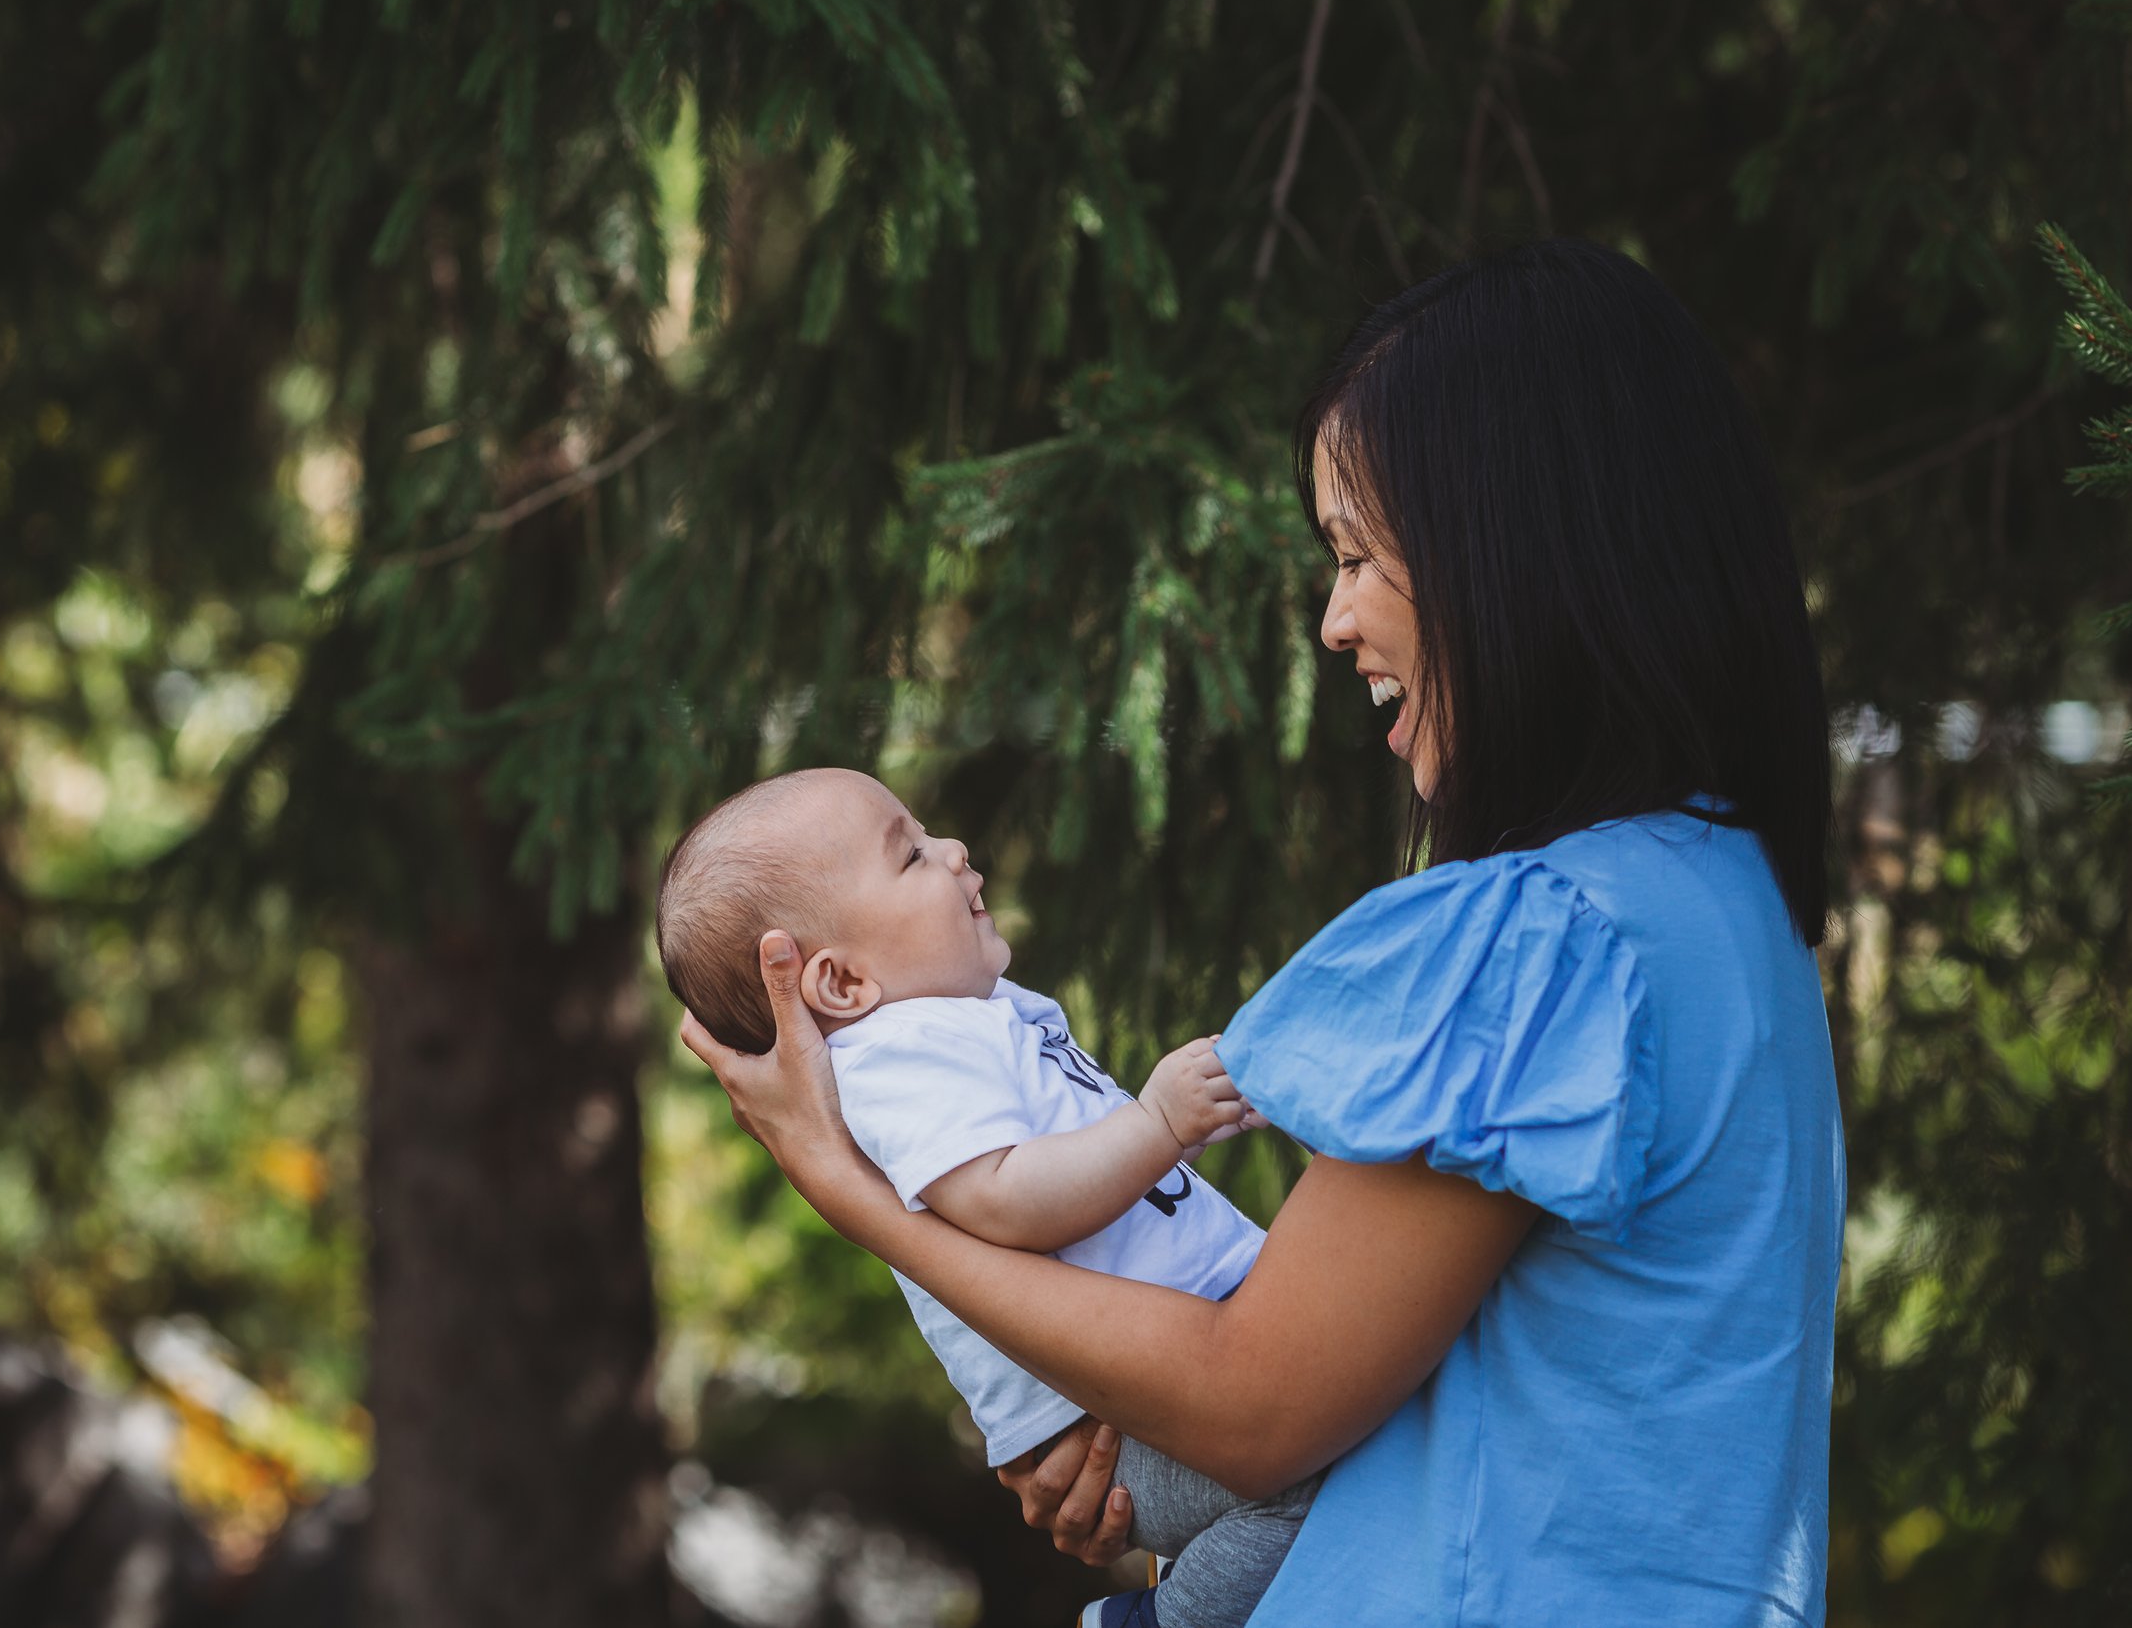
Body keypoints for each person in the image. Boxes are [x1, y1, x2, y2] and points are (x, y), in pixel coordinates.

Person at [680, 238, 1845, 1626]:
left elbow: (1249, 1402)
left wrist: (856, 1193)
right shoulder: (1725, 902)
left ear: (1513, 542)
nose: (1334, 617)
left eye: (1359, 552)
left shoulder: (1539, 941)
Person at [656, 767, 1313, 1628]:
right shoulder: (895, 1058)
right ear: (843, 985)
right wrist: (1159, 1122)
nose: (955, 850)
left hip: (1188, 1355)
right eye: (912, 856)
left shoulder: (965, 1016)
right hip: (1120, 1424)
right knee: (1303, 1475)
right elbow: (1006, 1199)